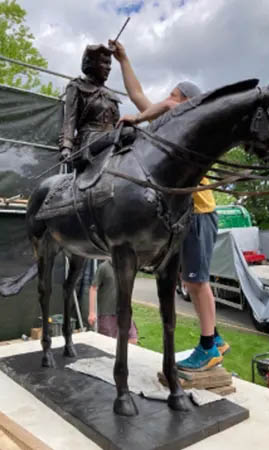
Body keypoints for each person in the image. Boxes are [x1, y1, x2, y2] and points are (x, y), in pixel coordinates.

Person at [109, 39, 229, 371]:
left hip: (200, 213)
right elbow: (138, 97)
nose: (167, 99)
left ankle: (208, 345)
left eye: (175, 95)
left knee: (195, 281)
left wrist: (148, 112)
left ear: (188, 103)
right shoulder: (170, 134)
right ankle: (215, 338)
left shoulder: (194, 132)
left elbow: (157, 107)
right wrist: (124, 59)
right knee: (192, 280)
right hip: (186, 216)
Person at [59, 44, 122, 172]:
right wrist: (66, 147)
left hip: (111, 137)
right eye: (104, 63)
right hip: (89, 139)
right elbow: (69, 119)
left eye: (110, 64)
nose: (109, 68)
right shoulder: (77, 86)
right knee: (125, 134)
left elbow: (116, 123)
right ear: (91, 63)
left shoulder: (111, 95)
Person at [88, 260, 138, 344]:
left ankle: (120, 355)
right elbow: (93, 288)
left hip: (124, 312)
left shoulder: (126, 266)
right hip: (106, 313)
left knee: (133, 339)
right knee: (108, 343)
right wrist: (92, 312)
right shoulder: (103, 267)